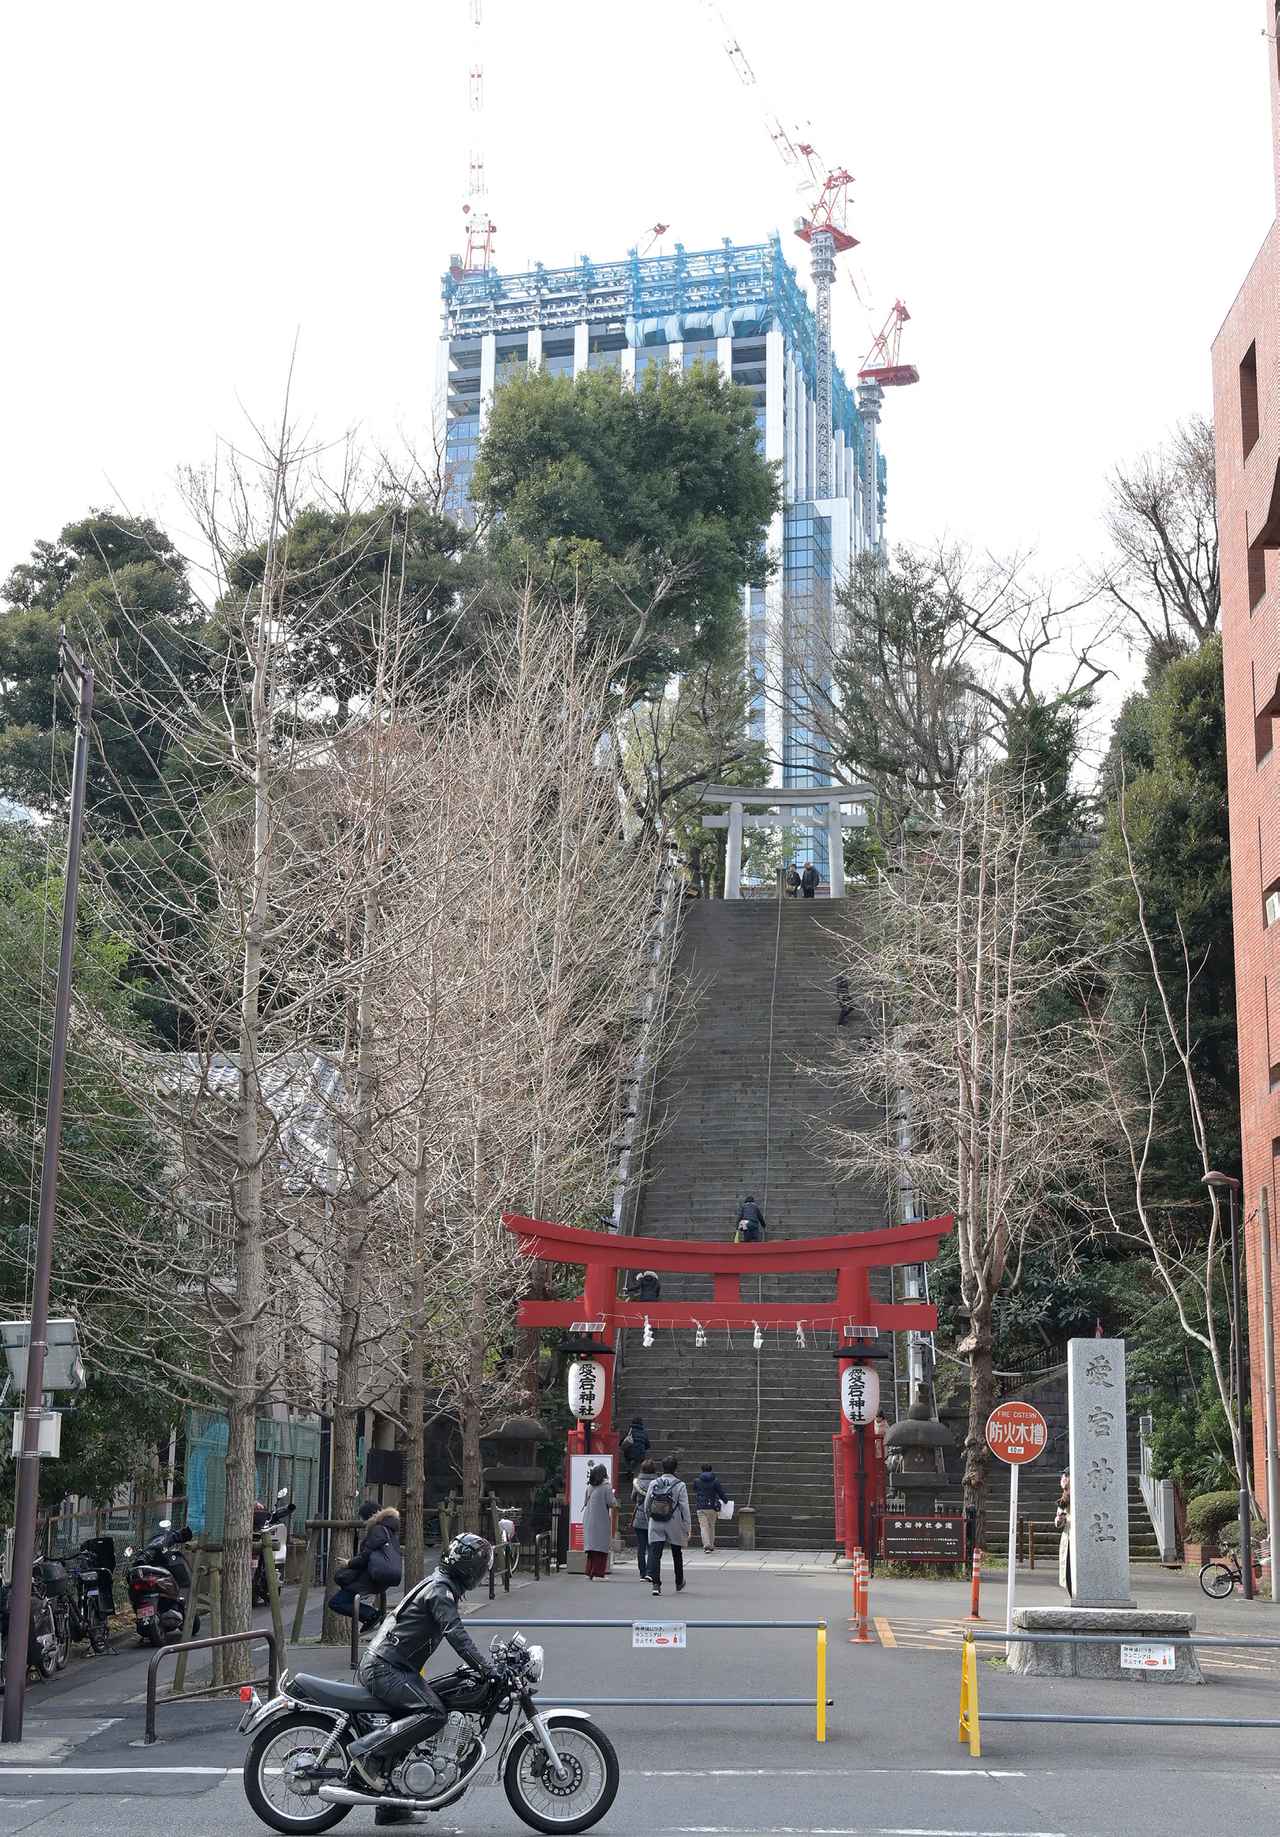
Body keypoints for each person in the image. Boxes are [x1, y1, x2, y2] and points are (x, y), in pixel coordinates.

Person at [351, 1532, 496, 1825]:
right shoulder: (440, 1591)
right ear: (469, 1568)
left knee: (418, 1717)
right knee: (432, 1712)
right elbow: (455, 1633)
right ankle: (367, 1754)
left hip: (391, 1666)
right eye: (481, 1567)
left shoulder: (440, 1584)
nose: (482, 1573)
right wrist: (486, 1668)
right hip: (385, 1668)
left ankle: (392, 1807)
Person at [328, 1501, 402, 1630]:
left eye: (363, 1518)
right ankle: (370, 1616)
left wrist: (349, 1563)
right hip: (381, 1576)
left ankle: (371, 1615)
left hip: (370, 1577)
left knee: (336, 1602)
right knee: (343, 1597)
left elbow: (366, 1556)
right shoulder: (390, 1530)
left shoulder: (377, 1529)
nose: (363, 1522)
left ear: (369, 1516)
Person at [645, 1455, 690, 1596]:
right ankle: (678, 1581)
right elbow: (685, 1507)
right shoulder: (680, 1485)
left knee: (655, 1553)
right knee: (677, 1553)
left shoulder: (654, 1483)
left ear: (662, 1467)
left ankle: (656, 1585)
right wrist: (687, 1526)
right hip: (674, 1521)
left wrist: (649, 1519)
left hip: (656, 1520)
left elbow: (647, 1503)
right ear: (675, 1468)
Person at [582, 1462, 617, 1580]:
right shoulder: (606, 1487)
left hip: (588, 1519)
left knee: (591, 1548)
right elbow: (612, 1503)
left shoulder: (590, 1486)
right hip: (601, 1520)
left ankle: (589, 1572)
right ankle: (598, 1573)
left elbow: (585, 1502)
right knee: (601, 1548)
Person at [692, 1463, 729, 1554]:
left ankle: (706, 1545)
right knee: (711, 1526)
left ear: (702, 1470)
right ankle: (711, 1545)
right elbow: (720, 1492)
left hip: (701, 1506)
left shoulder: (697, 1481)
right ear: (711, 1470)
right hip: (712, 1506)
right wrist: (725, 1501)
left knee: (703, 1526)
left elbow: (695, 1489)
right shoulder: (715, 1481)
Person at [632, 1456, 658, 1579]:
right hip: (653, 1517)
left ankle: (642, 1573)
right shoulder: (658, 1482)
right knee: (652, 1546)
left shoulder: (637, 1482)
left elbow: (633, 1498)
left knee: (641, 1547)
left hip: (640, 1516)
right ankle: (650, 1572)